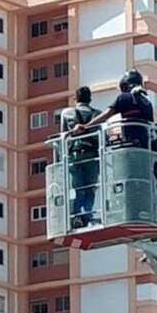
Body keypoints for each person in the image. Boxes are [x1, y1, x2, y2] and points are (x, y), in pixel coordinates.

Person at [74, 69, 154, 148]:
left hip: (131, 145)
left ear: (125, 86)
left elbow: (107, 115)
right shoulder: (147, 102)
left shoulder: (124, 98)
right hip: (146, 146)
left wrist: (85, 126)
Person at [62, 87, 102, 229]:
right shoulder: (98, 114)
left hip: (74, 155)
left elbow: (64, 136)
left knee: (77, 187)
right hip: (92, 156)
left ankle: (76, 215)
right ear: (89, 99)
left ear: (76, 99)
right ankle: (86, 215)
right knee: (90, 188)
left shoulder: (67, 113)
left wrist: (63, 159)